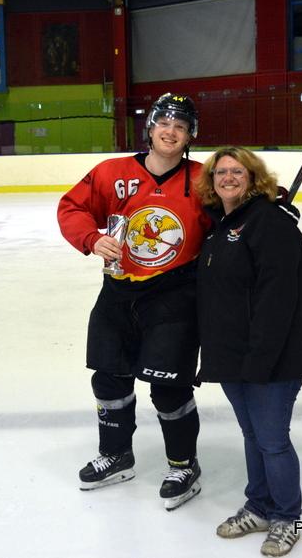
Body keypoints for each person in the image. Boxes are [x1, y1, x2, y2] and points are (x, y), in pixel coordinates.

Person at [57, 93, 210, 511]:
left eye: (180, 126)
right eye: (164, 122)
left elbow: (239, 209)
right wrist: (91, 238)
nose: (170, 131)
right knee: (109, 379)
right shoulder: (112, 172)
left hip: (175, 295)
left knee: (168, 386)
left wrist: (270, 206)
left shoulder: (203, 179)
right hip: (118, 293)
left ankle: (183, 464)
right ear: (151, 127)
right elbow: (72, 207)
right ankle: (118, 454)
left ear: (190, 135)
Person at [194, 147, 302, 557]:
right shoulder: (222, 225)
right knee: (252, 434)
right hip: (233, 357)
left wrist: (260, 361)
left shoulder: (269, 223)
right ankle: (259, 505)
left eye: (236, 171)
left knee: (273, 440)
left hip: (269, 359)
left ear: (253, 176)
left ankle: (286, 517)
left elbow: (278, 301)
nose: (227, 177)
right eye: (220, 171)